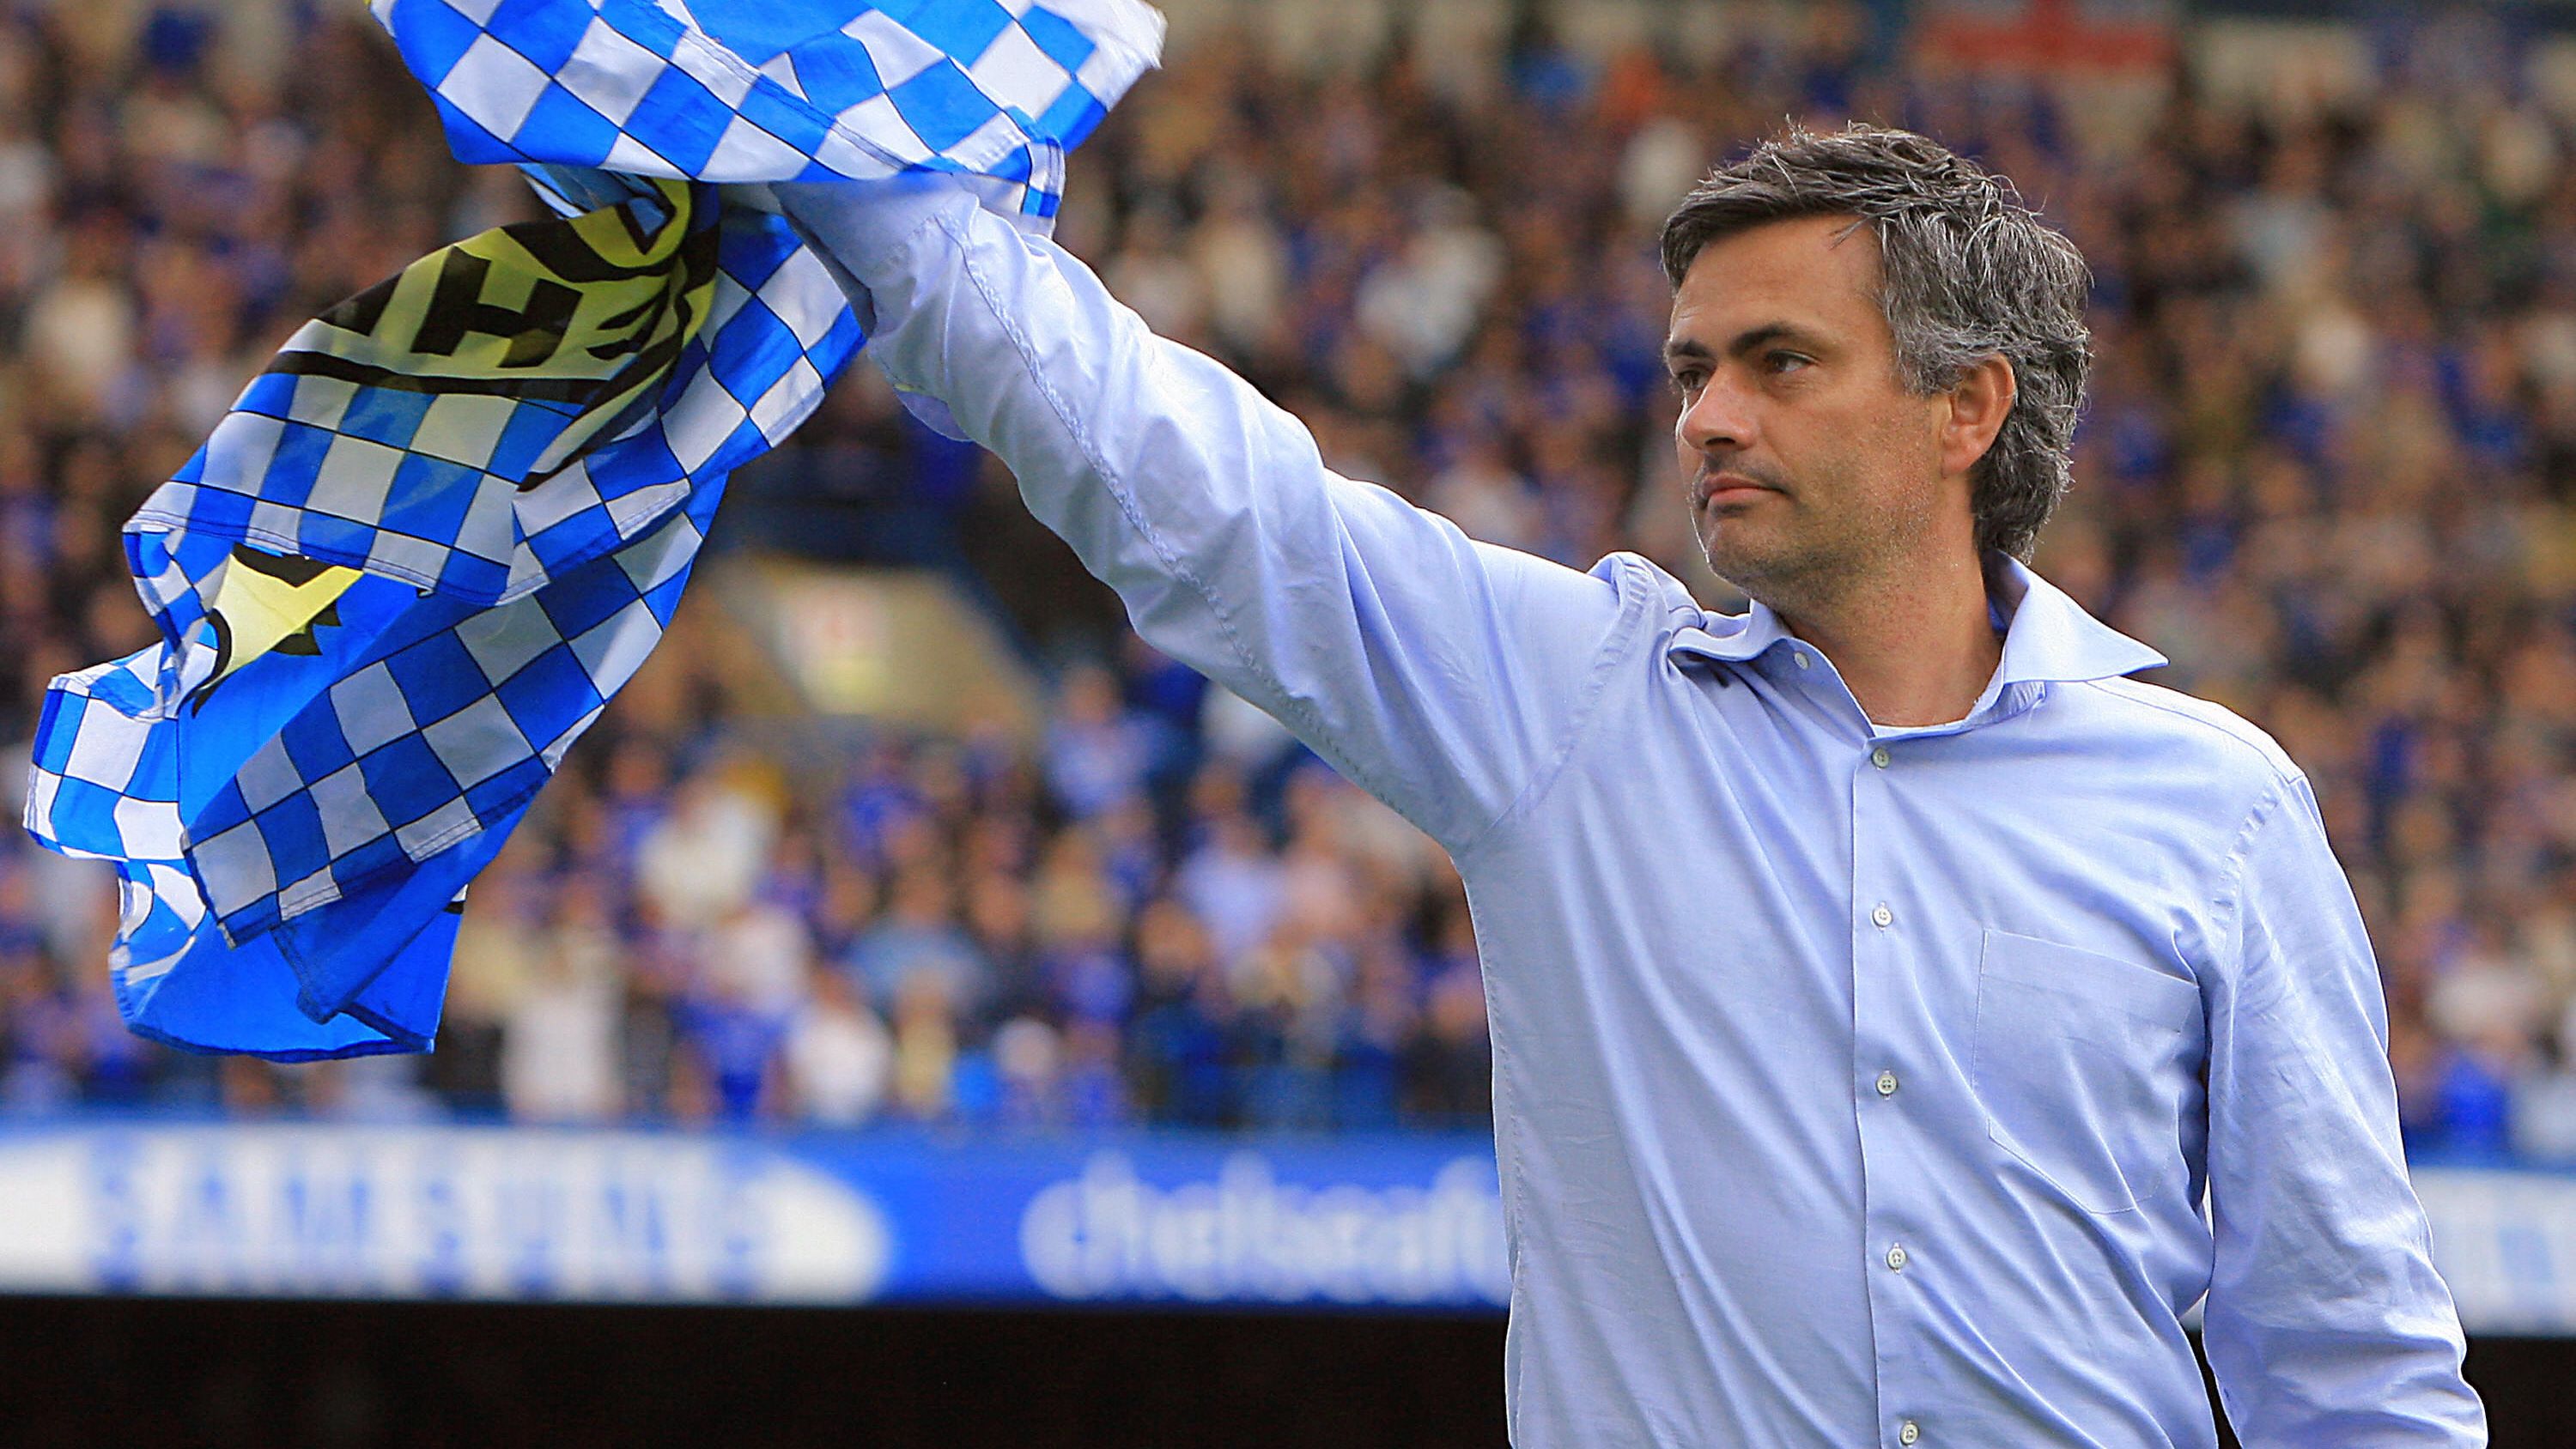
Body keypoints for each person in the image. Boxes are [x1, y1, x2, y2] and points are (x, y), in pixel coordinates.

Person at [775, 124, 2484, 1445]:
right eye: (1692, 370)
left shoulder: (2219, 802)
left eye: (1779, 363)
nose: (1710, 419)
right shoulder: (1570, 699)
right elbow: (1197, 490)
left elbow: (2348, 1353)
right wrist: (817, 141)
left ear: (1967, 408)